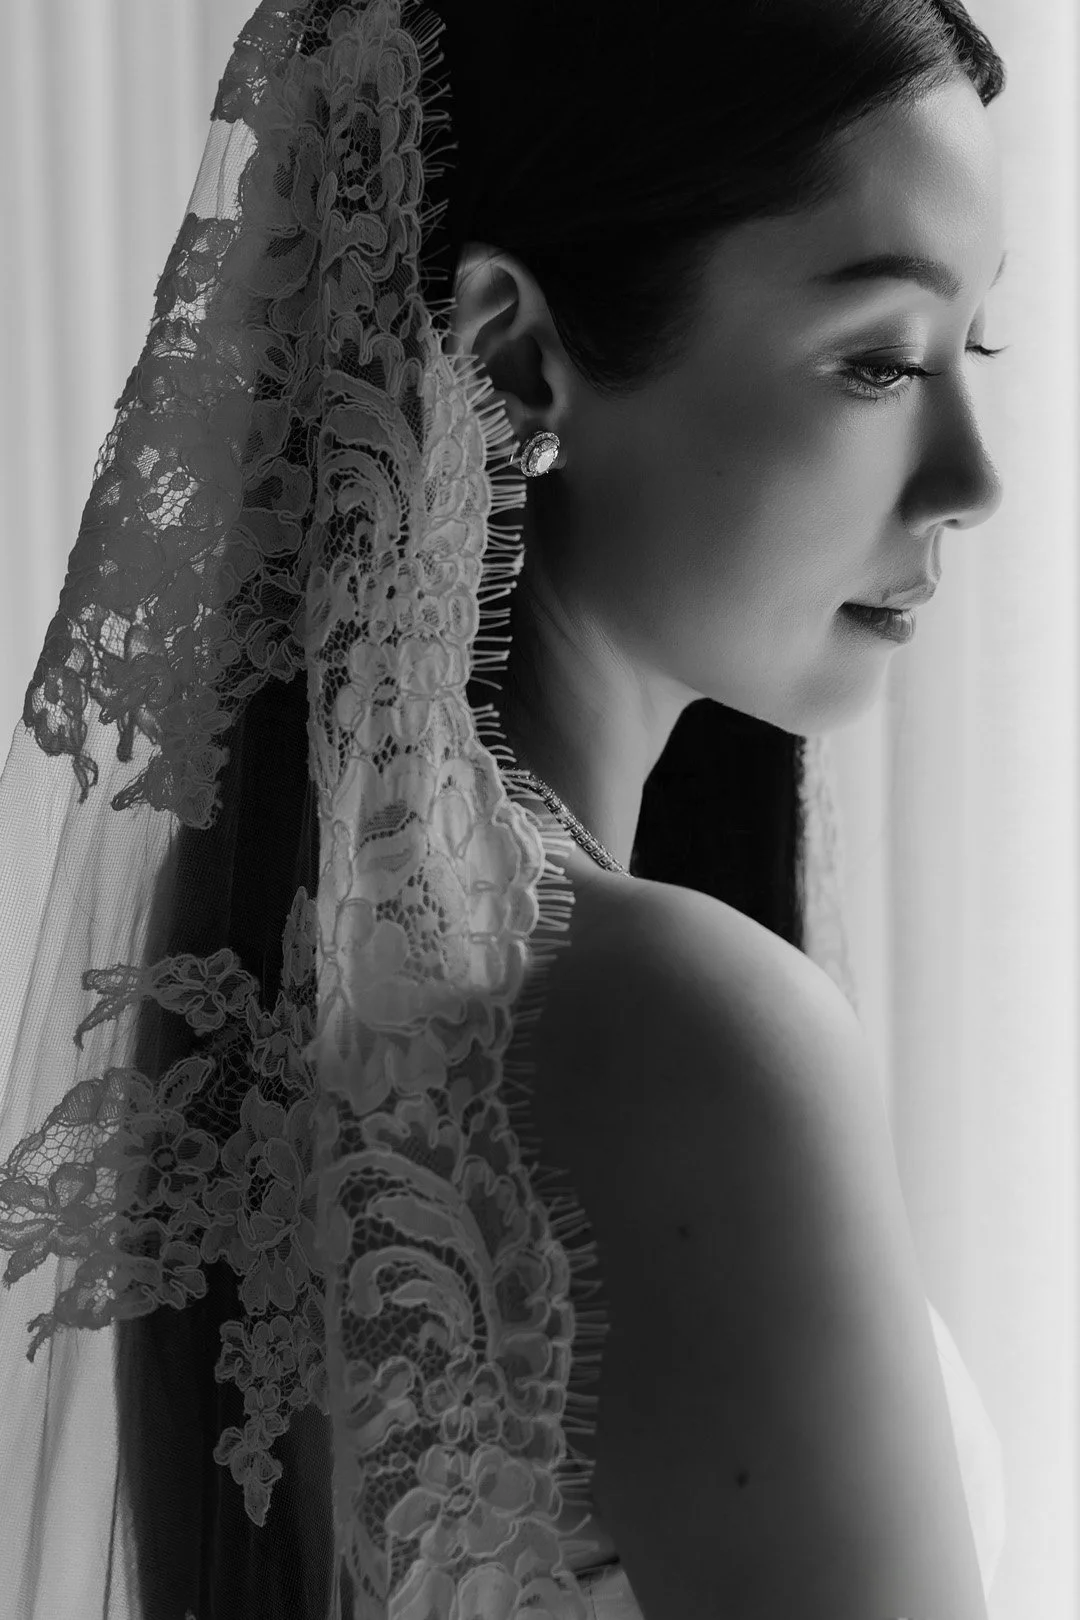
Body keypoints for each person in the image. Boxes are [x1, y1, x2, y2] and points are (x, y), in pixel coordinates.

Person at [0, 1, 1006, 1617]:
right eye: (880, 358)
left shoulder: (282, 1023)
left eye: (978, 350)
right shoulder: (687, 1026)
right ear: (512, 352)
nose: (974, 473)